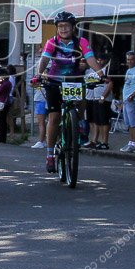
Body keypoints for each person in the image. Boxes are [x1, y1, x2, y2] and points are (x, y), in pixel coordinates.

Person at [33, 11, 106, 174]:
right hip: (54, 81)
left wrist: (101, 74)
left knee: (82, 98)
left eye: (66, 26)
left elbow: (90, 58)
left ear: (73, 27)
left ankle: (77, 122)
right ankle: (50, 154)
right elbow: (44, 59)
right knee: (54, 117)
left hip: (74, 80)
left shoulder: (81, 42)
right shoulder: (52, 42)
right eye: (60, 26)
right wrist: (39, 74)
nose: (63, 29)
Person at [120, 50, 135, 152]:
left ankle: (134, 143)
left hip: (133, 100)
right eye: (128, 59)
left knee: (134, 122)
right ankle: (130, 142)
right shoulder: (128, 71)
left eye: (131, 59)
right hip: (126, 100)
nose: (129, 61)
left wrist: (131, 96)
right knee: (129, 123)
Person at [86, 65, 113, 150]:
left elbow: (110, 83)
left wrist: (103, 97)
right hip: (95, 97)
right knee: (98, 121)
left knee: (104, 121)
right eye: (98, 60)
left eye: (101, 60)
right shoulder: (91, 71)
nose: (99, 62)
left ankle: (105, 142)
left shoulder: (107, 70)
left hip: (103, 99)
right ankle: (101, 141)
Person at [0, 67, 14, 143]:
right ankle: (3, 138)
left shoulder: (3, 84)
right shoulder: (9, 83)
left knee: (1, 121)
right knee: (3, 121)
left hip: (1, 103)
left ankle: (0, 139)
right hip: (6, 102)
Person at [30, 78, 48, 149]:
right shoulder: (39, 78)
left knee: (41, 123)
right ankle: (45, 140)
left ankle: (41, 141)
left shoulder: (49, 79)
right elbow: (31, 84)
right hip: (43, 100)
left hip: (41, 100)